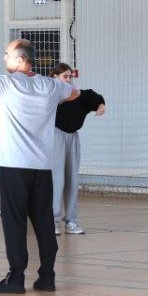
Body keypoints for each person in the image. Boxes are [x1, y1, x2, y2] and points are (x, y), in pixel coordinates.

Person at [0, 39, 78, 294]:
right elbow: (75, 93)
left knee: (14, 223)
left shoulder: (5, 83)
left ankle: (16, 278)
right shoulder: (50, 85)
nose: (3, 59)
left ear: (18, 59)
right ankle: (47, 277)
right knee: (44, 222)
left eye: (6, 55)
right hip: (43, 166)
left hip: (14, 165)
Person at [48, 64, 106, 235]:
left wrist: (101, 105)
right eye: (64, 76)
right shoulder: (50, 95)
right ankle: (52, 221)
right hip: (55, 136)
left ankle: (72, 221)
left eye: (70, 76)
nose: (68, 80)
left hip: (73, 138)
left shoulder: (79, 94)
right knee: (57, 180)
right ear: (55, 77)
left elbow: (94, 97)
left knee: (72, 179)